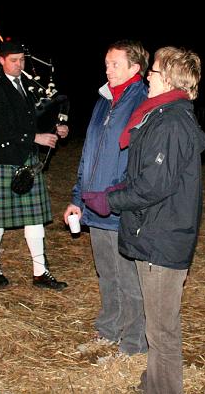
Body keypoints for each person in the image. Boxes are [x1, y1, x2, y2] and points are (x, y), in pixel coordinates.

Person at [82, 46, 205, 394]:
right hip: (154, 229)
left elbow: (153, 186)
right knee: (158, 325)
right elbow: (148, 173)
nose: (147, 76)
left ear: (167, 78)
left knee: (162, 330)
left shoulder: (171, 122)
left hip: (162, 235)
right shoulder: (159, 115)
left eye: (153, 71)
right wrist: (116, 189)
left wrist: (110, 199)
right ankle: (153, 381)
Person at [63, 40, 149, 355]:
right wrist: (79, 197)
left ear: (134, 68)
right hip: (95, 205)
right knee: (107, 272)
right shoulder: (104, 100)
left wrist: (112, 195)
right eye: (107, 63)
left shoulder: (143, 101)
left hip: (120, 206)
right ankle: (109, 329)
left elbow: (137, 162)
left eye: (114, 63)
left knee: (129, 277)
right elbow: (89, 153)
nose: (107, 69)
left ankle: (134, 343)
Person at [0, 40, 69, 290]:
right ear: (2, 60)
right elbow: (2, 127)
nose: (19, 65)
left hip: (27, 158)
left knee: (35, 218)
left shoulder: (25, 84)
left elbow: (34, 117)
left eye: (22, 60)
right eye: (13, 60)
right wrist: (35, 138)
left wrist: (54, 128)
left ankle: (40, 271)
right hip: (6, 159)